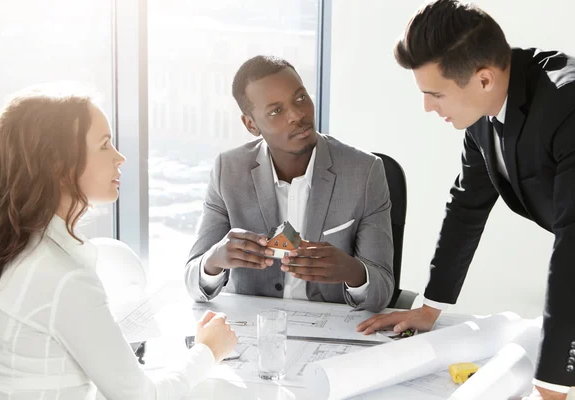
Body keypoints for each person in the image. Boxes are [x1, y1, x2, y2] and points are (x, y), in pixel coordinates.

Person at [355, 1, 575, 398]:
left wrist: (552, 384)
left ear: (484, 79)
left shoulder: (567, 105)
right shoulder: (484, 113)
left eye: (435, 94)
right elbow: (466, 206)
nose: (426, 107)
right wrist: (429, 308)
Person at [0, 87, 237, 399]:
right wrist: (208, 349)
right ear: (59, 165)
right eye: (104, 145)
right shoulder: (63, 277)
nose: (120, 157)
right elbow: (140, 397)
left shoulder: (9, 249)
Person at [184, 55, 394, 313]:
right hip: (253, 328)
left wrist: (353, 272)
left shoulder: (365, 172)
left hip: (331, 330)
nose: (297, 115)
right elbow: (193, 284)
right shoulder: (228, 170)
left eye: (301, 98)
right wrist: (213, 261)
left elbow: (383, 289)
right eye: (276, 111)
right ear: (251, 124)